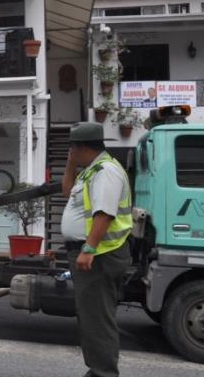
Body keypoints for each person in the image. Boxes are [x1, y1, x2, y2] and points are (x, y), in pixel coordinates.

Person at [61, 122, 132, 377]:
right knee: (91, 317)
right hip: (94, 254)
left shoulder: (106, 172)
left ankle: (104, 373)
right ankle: (98, 370)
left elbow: (105, 214)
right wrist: (70, 165)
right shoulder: (90, 171)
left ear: (82, 146)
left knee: (97, 319)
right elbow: (67, 193)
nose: (70, 152)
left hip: (101, 255)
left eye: (72, 148)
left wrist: (88, 248)